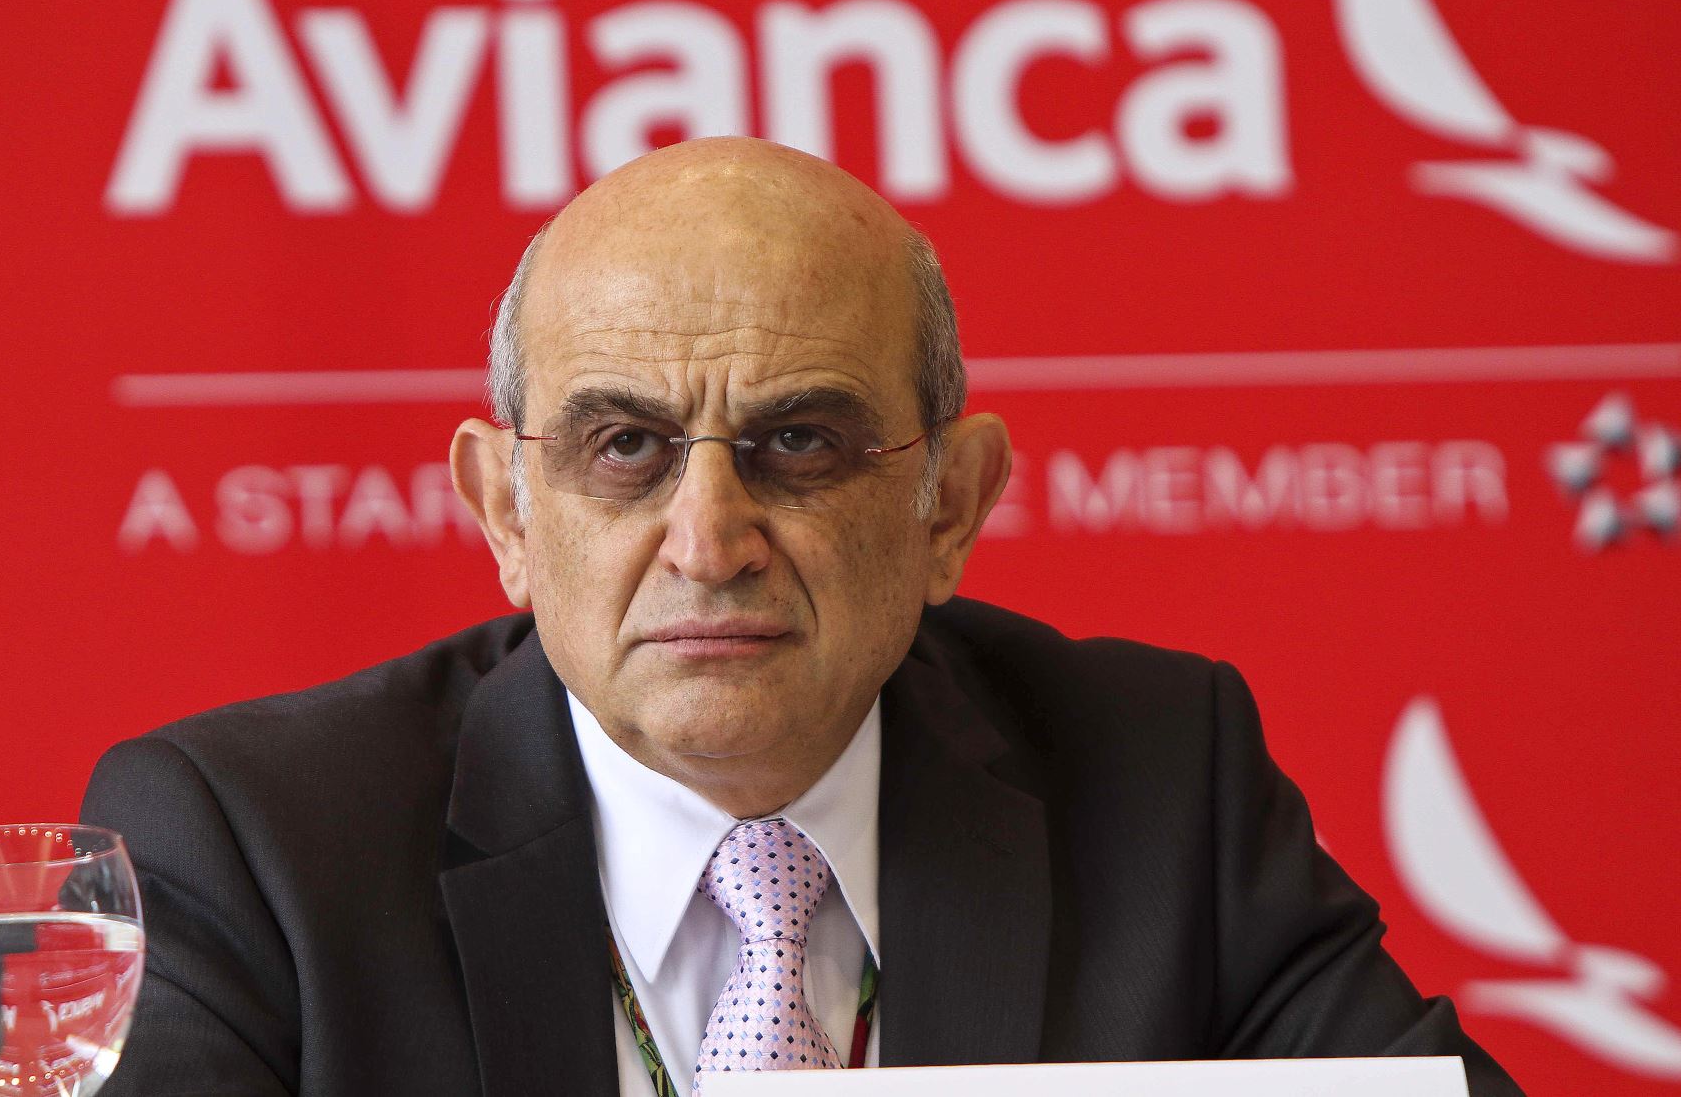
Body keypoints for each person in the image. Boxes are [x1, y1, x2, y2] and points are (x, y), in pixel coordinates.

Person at [82, 137, 1524, 1096]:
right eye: (624, 448)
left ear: (950, 503)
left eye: (801, 444)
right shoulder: (254, 847)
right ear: (509, 515)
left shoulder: (1159, 781)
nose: (709, 545)